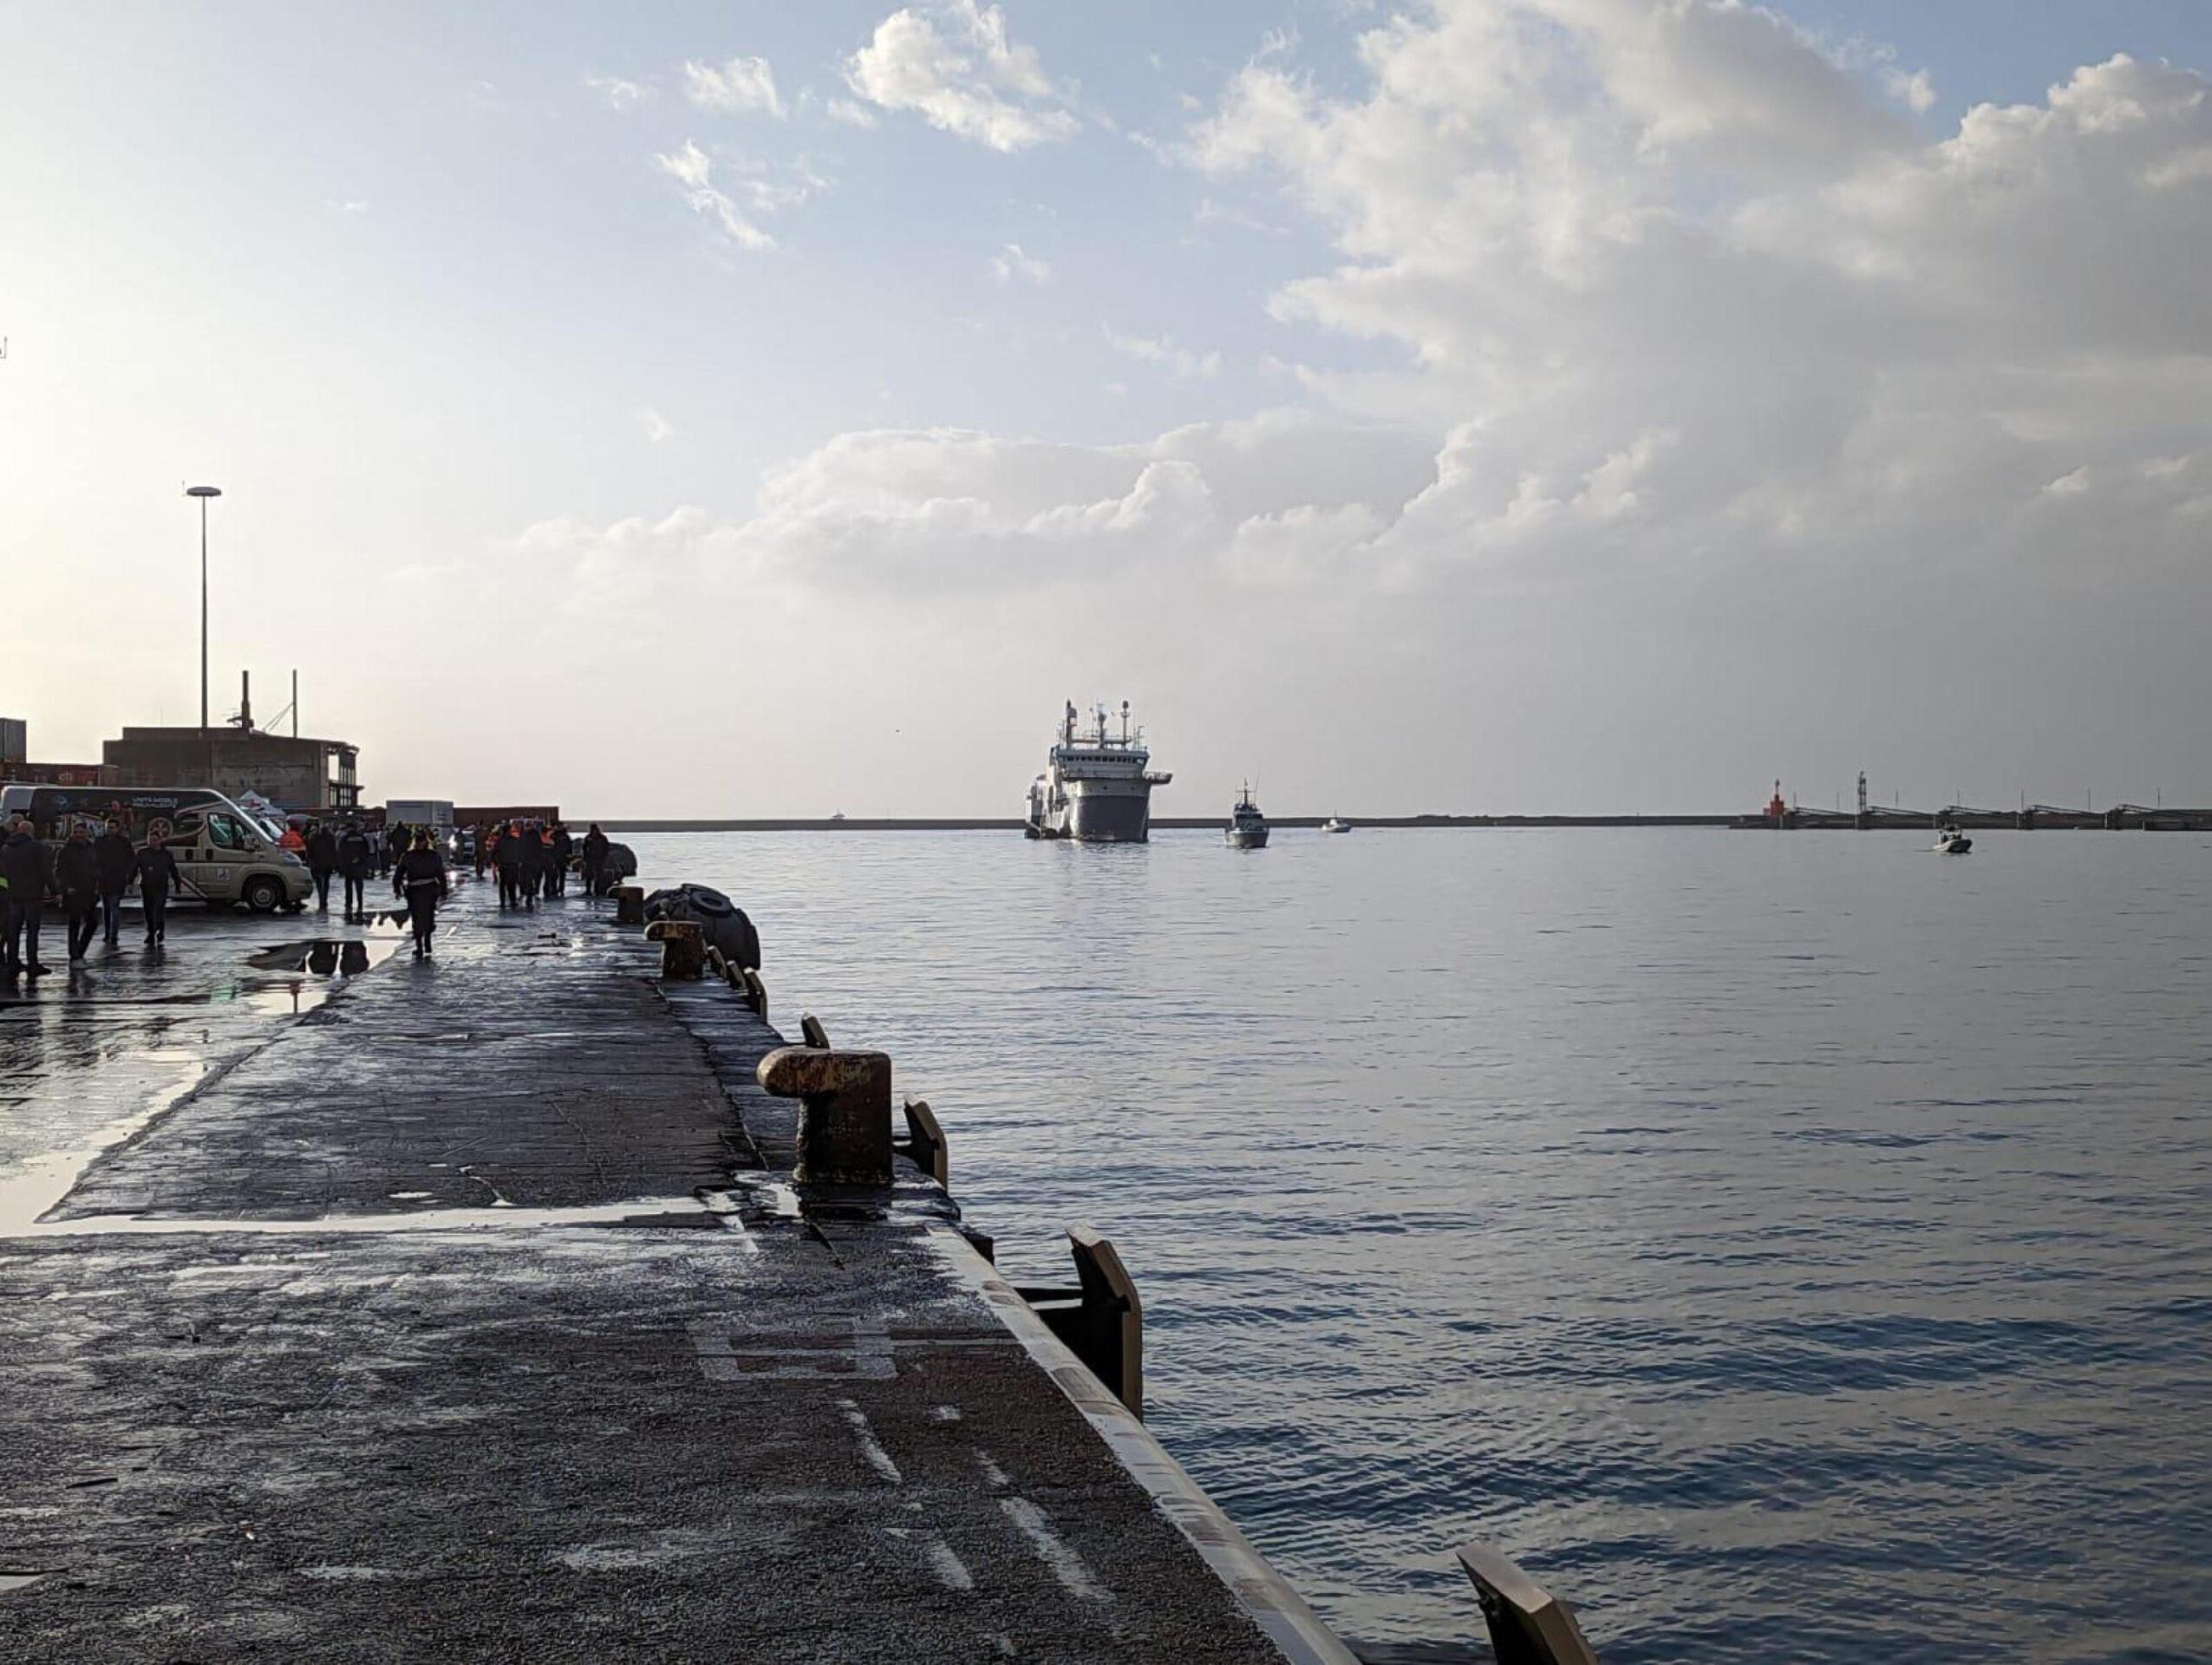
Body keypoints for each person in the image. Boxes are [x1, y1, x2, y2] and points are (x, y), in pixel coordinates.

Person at [1, 816, 49, 975]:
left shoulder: (6, 848)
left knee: (13, 931)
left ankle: (12, 961)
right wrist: (55, 890)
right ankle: (33, 964)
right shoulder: (37, 847)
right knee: (32, 931)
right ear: (30, 832)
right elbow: (45, 871)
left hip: (13, 895)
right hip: (33, 895)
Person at [393, 830, 449, 957]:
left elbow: (399, 874)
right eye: (418, 841)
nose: (419, 843)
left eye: (420, 841)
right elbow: (440, 874)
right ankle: (422, 944)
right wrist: (397, 889)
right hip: (422, 890)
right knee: (422, 917)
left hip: (421, 889)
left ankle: (424, 943)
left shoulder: (409, 856)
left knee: (422, 917)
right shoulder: (431, 855)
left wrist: (397, 889)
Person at [55, 822, 101, 965]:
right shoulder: (66, 851)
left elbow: (97, 868)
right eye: (76, 832)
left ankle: (80, 950)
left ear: (87, 833)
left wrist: (98, 885)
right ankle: (74, 955)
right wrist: (65, 887)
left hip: (89, 891)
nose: (79, 835)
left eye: (81, 832)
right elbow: (60, 872)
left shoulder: (91, 849)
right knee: (74, 923)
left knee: (92, 923)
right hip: (73, 892)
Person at [93, 817, 137, 947]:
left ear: (118, 828)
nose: (109, 830)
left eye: (112, 827)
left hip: (118, 879)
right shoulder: (100, 842)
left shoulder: (124, 843)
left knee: (114, 905)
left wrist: (129, 878)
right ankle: (108, 933)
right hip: (103, 879)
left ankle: (113, 934)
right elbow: (93, 859)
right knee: (106, 907)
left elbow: (131, 860)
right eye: (107, 827)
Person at [135, 834, 179, 945]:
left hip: (161, 886)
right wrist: (130, 882)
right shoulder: (142, 853)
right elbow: (135, 867)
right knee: (148, 910)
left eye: (155, 840)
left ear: (159, 841)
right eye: (150, 840)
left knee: (158, 909)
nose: (152, 842)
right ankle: (151, 932)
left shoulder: (166, 855)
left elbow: (173, 869)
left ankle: (160, 930)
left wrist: (178, 883)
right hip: (146, 885)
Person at [338, 822, 375, 921]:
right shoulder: (362, 838)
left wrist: (342, 867)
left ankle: (348, 903)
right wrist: (360, 860)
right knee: (359, 885)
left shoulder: (345, 838)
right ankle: (360, 902)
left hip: (349, 867)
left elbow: (341, 853)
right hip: (359, 866)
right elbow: (366, 851)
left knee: (348, 886)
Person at [305, 819, 339, 911]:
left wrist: (310, 862)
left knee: (319, 883)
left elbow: (309, 852)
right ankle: (324, 899)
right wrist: (335, 864)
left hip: (317, 863)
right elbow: (334, 851)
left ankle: (321, 899)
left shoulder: (312, 837)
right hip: (327, 863)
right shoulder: (330, 837)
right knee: (326, 882)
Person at [515, 820, 545, 907]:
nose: (527, 827)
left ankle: (531, 894)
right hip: (526, 861)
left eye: (529, 826)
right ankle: (527, 893)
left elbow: (539, 848)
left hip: (532, 861)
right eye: (527, 826)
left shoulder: (533, 835)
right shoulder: (524, 835)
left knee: (532, 878)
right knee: (525, 879)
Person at [495, 821, 524, 908]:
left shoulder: (499, 841)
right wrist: (520, 861)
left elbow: (494, 852)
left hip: (504, 865)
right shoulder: (515, 840)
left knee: (503, 884)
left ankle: (503, 901)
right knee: (512, 884)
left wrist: (496, 862)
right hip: (513, 864)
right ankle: (512, 900)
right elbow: (520, 852)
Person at [580, 823, 610, 898]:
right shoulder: (588, 837)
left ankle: (597, 891)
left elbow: (606, 848)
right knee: (589, 876)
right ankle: (588, 891)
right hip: (590, 859)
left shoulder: (602, 838)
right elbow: (584, 848)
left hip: (599, 859)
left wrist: (604, 857)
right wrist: (585, 858)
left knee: (599, 876)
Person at [549, 823, 573, 897]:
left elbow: (569, 848)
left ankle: (561, 889)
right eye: (558, 826)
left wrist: (568, 859)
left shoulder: (566, 836)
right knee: (553, 875)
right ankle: (554, 889)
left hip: (563, 858)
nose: (559, 827)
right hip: (554, 858)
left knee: (562, 875)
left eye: (560, 826)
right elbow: (550, 847)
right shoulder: (553, 835)